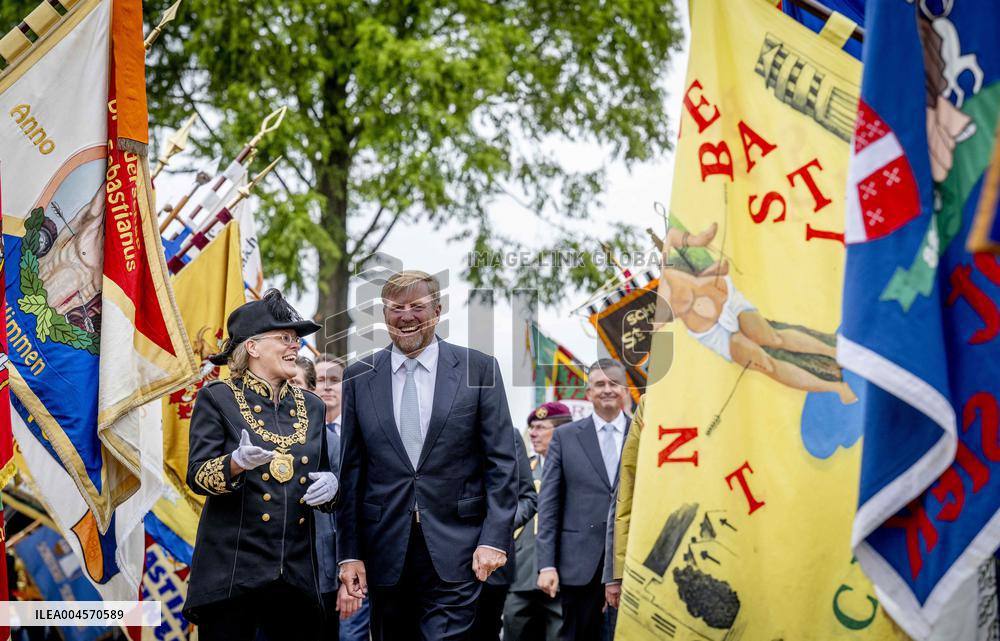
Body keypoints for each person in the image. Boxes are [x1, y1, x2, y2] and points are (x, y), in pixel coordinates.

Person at [337, 270, 518, 640]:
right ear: (384, 314)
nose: (406, 317)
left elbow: (501, 463)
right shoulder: (358, 377)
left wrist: (494, 538)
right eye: (396, 308)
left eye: (417, 307)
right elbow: (351, 471)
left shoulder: (478, 370)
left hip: (460, 548)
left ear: (437, 310)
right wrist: (349, 554)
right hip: (385, 551)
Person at [182, 289, 339, 641]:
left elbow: (323, 476)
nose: (294, 346)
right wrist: (234, 464)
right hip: (233, 576)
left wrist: (332, 487)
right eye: (284, 338)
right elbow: (197, 475)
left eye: (296, 339)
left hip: (296, 577)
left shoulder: (313, 406)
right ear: (252, 347)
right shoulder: (217, 397)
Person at [536, 360, 630, 641]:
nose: (607, 389)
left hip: (632, 561)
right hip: (578, 567)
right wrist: (546, 565)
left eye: (613, 383)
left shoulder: (646, 434)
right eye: (600, 384)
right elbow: (549, 505)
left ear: (625, 390)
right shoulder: (565, 438)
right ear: (588, 392)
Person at [503, 403, 572, 641]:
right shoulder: (524, 469)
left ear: (562, 430)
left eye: (541, 427)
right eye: (531, 427)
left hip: (561, 574)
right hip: (520, 576)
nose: (533, 433)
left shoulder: (575, 468)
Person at [470, 430, 537, 640]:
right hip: (439, 557)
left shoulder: (510, 435)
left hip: (493, 564)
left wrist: (495, 529)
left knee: (486, 631)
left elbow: (528, 498)